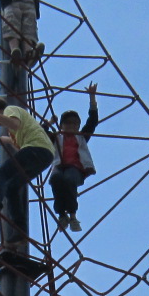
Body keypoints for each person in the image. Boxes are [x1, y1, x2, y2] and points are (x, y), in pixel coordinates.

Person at [0, 95, 56, 228]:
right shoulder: (14, 130)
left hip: (36, 148)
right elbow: (19, 141)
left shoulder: (10, 109)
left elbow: (14, 124)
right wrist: (6, 139)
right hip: (44, 156)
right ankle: (19, 230)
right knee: (12, 188)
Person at [50, 83, 99, 233]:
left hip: (76, 169)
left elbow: (92, 121)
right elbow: (40, 134)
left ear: (78, 126)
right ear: (62, 125)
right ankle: (62, 214)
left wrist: (92, 98)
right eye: (67, 123)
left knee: (69, 179)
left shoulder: (81, 137)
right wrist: (49, 123)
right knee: (56, 179)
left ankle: (72, 214)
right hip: (59, 166)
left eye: (75, 124)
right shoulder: (57, 137)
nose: (71, 126)